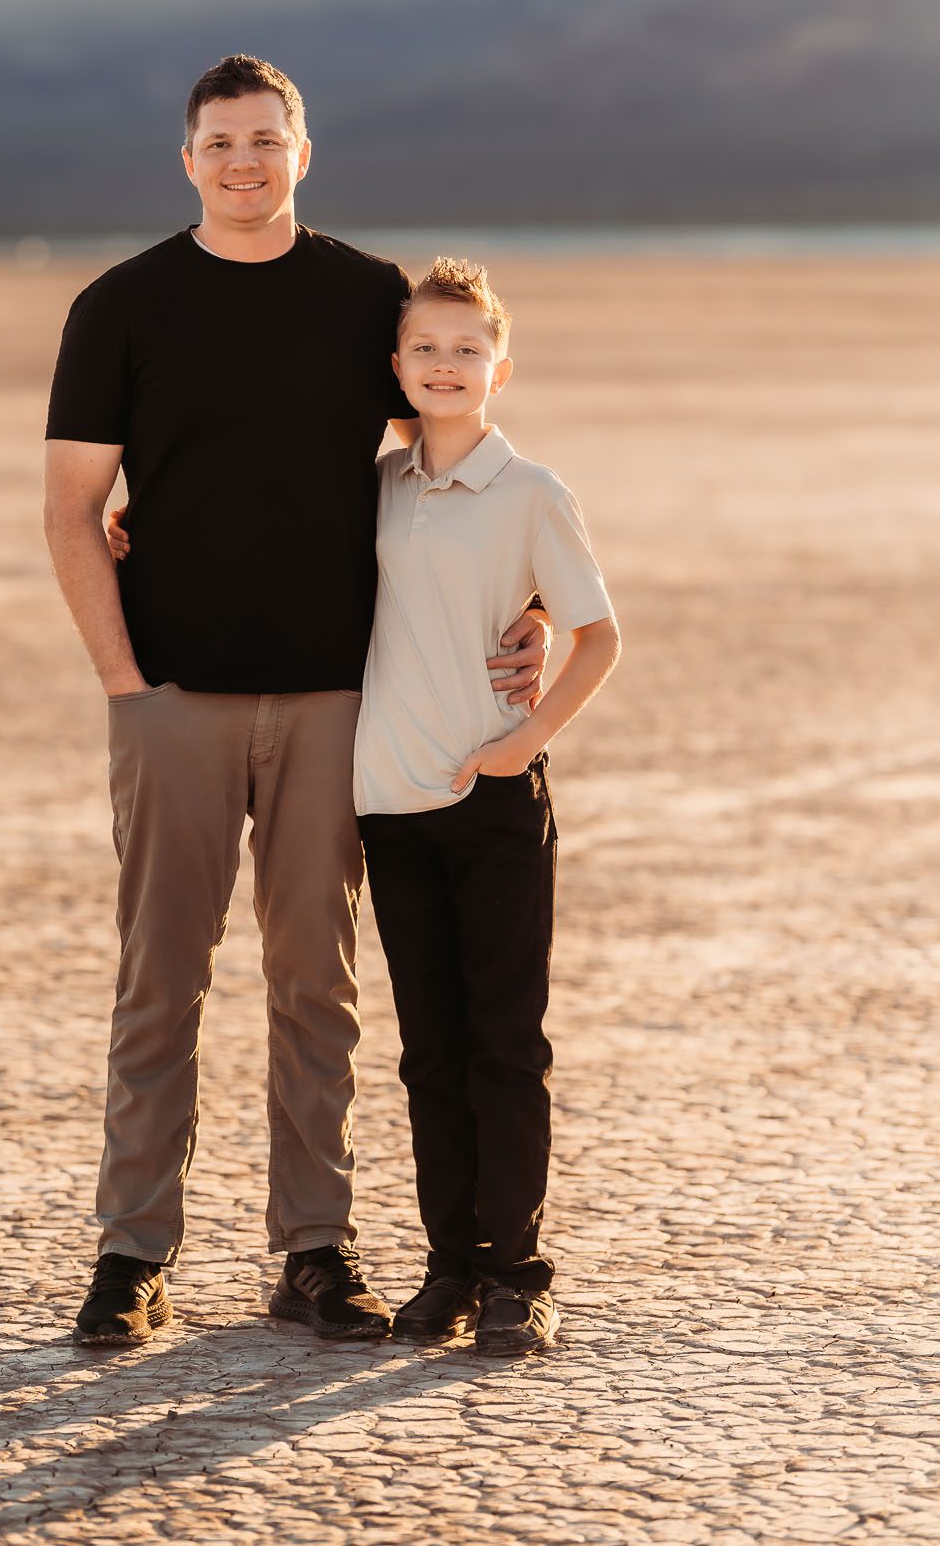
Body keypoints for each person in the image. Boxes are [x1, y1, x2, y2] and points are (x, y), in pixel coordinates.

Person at [42, 55, 548, 1346]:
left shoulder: (364, 302)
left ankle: (312, 1248)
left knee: (313, 983)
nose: (242, 162)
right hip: (173, 699)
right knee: (160, 979)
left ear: (301, 153)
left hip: (336, 699)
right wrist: (123, 682)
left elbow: (454, 446)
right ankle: (130, 1251)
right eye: (219, 143)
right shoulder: (122, 309)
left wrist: (531, 603)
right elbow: (67, 507)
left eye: (265, 140)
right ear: (187, 159)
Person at [354, 257, 620, 1356]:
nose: (446, 364)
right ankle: (447, 1267)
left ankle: (518, 1270)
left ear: (499, 366)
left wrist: (523, 740)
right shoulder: (371, 484)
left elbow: (596, 632)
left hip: (494, 799)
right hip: (388, 805)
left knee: (504, 1042)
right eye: (425, 347)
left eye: (467, 349)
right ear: (396, 366)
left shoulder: (530, 491)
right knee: (427, 1050)